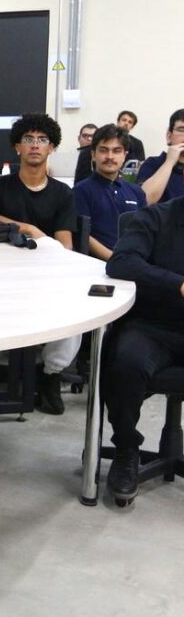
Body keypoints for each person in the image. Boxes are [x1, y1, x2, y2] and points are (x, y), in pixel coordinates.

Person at [0, 113, 79, 415]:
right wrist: (27, 228)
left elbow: (65, 245)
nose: (35, 145)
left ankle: (50, 374)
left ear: (51, 147)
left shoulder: (62, 193)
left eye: (42, 140)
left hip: (45, 274)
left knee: (77, 307)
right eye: (28, 139)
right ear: (17, 147)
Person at [103, 196, 184, 500]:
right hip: (153, 325)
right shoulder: (155, 218)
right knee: (126, 363)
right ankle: (126, 449)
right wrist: (177, 283)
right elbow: (121, 262)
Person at [73, 123, 146, 260]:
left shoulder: (136, 192)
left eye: (116, 151)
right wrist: (115, 259)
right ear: (93, 154)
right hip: (98, 266)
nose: (110, 156)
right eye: (103, 150)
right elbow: (83, 235)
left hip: (136, 262)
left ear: (125, 155)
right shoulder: (80, 191)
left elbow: (145, 231)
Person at [136, 109, 184, 205]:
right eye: (181, 130)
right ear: (169, 136)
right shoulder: (153, 163)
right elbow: (144, 200)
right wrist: (170, 162)